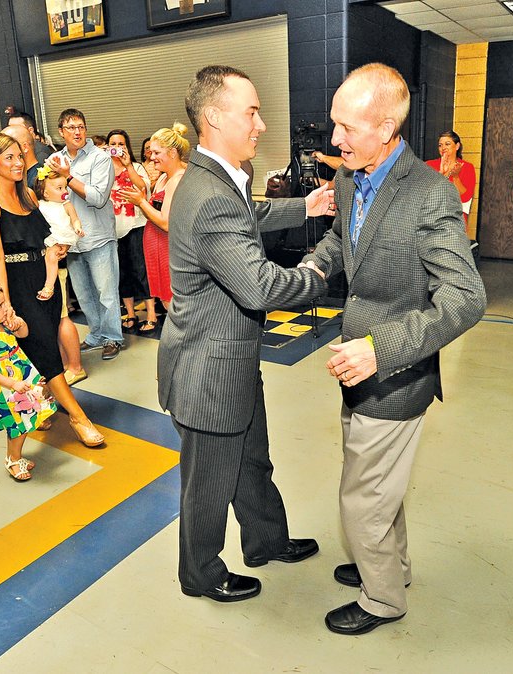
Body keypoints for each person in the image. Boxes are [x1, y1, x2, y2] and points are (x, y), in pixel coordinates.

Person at [301, 63, 486, 635]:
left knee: (361, 499)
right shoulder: (350, 178)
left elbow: (466, 297)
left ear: (386, 128)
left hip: (395, 371)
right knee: (378, 484)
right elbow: (342, 240)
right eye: (335, 125)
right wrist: (313, 266)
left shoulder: (429, 195)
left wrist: (382, 348)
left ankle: (382, 599)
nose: (335, 140)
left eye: (347, 128)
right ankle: (391, 567)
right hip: (356, 364)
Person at [159, 65, 335, 604]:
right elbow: (258, 288)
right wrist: (319, 275)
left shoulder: (216, 178)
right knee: (209, 482)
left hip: (228, 360)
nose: (260, 124)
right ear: (213, 118)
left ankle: (265, 540)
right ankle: (201, 574)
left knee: (252, 460)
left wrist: (304, 205)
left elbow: (249, 212)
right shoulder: (210, 195)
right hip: (209, 372)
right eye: (251, 112)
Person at [0, 131, 104, 447]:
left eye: (20, 156)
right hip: (15, 286)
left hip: (45, 279)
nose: (18, 164)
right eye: (10, 158)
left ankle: (41, 408)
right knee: (43, 347)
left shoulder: (28, 197)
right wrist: (5, 306)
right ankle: (77, 416)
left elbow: (47, 236)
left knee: (40, 348)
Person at [3, 123, 87, 386]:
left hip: (48, 264)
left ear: (25, 146)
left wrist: (63, 244)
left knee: (61, 317)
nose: (15, 161)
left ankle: (74, 365)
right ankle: (63, 364)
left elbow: (60, 219)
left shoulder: (32, 182)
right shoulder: (22, 183)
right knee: (53, 320)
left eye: (15, 153)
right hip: (35, 267)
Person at [48, 109, 123, 361]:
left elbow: (98, 197)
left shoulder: (100, 158)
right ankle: (96, 335)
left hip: (98, 235)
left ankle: (113, 337)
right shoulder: (54, 159)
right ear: (61, 132)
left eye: (81, 126)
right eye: (70, 128)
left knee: (106, 291)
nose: (77, 132)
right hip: (71, 240)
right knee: (84, 293)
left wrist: (67, 176)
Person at [0, 281, 56, 482]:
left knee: (26, 419)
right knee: (17, 424)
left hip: (19, 376)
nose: (6, 308)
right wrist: (12, 383)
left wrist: (18, 322)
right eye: (0, 305)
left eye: (4, 303)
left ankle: (17, 456)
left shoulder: (2, 325)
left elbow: (24, 334)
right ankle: (13, 459)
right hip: (5, 387)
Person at [119, 124, 188, 313]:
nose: (151, 156)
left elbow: (166, 222)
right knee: (166, 302)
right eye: (151, 151)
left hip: (169, 248)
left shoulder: (178, 179)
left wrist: (141, 202)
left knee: (174, 303)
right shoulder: (164, 178)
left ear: (173, 153)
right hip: (156, 247)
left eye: (157, 152)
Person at [105, 129, 157, 334]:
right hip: (112, 229)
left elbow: (143, 188)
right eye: (113, 144)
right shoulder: (103, 168)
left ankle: (151, 313)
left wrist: (127, 166)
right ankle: (130, 313)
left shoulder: (136, 167)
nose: (117, 148)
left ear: (127, 147)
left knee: (140, 270)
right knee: (122, 273)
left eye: (121, 144)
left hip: (136, 226)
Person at [33, 166, 84, 300]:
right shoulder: (40, 204)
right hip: (46, 237)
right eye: (59, 188)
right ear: (45, 193)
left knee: (51, 256)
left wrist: (78, 228)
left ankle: (49, 286)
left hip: (61, 236)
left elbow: (75, 219)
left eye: (65, 187)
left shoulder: (66, 205)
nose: (65, 191)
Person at [425, 130, 476, 230]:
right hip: (431, 220)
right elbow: (424, 193)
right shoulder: (429, 165)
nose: (443, 148)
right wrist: (441, 174)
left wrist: (456, 177)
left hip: (455, 222)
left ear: (457, 146)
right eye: (440, 145)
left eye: (447, 144)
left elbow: (466, 197)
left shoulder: (467, 167)